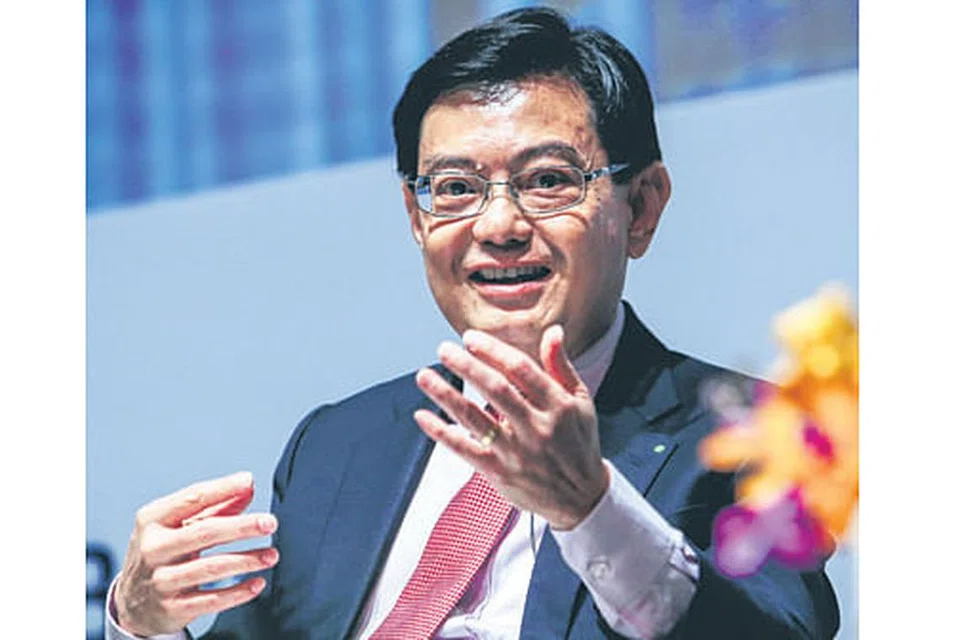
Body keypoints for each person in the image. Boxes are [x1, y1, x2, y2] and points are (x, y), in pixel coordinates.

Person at [106, 7, 840, 639]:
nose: (498, 225)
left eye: (548, 180)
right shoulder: (337, 448)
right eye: (455, 188)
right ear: (416, 216)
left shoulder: (757, 435)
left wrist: (591, 508)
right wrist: (139, 622)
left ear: (642, 208)